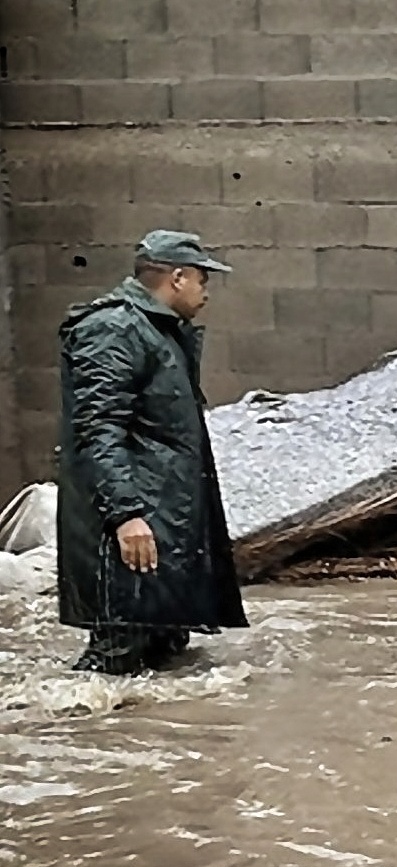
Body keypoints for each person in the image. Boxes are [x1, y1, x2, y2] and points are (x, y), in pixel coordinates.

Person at [57, 230, 248, 675]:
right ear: (177, 278)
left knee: (164, 664)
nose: (207, 293)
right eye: (203, 280)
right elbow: (97, 429)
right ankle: (77, 738)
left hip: (166, 528)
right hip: (135, 531)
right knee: (113, 665)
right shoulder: (114, 329)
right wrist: (126, 515)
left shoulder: (161, 333)